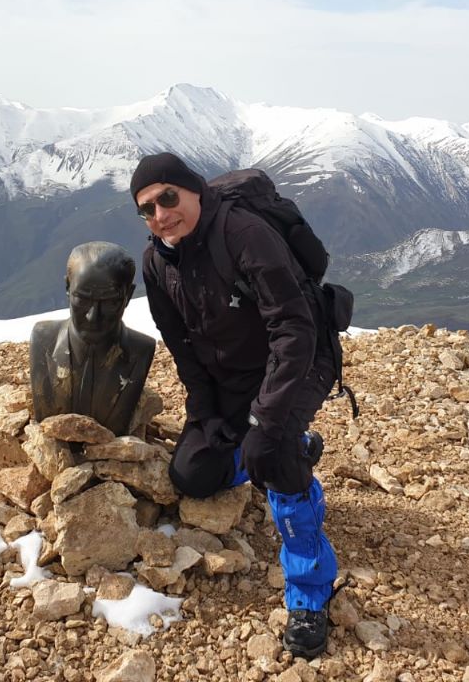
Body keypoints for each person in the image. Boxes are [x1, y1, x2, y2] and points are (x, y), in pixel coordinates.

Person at [132, 152, 338, 659]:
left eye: (168, 198)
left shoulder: (244, 234)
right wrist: (205, 413)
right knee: (194, 474)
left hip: (299, 361)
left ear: (193, 189)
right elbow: (181, 346)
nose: (160, 215)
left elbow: (294, 329)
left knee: (274, 455)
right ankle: (275, 450)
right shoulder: (157, 262)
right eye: (147, 209)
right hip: (230, 376)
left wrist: (266, 422)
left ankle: (309, 593)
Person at [29, 241, 156, 437]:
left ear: (128, 296)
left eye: (109, 302)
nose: (92, 316)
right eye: (82, 299)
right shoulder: (42, 338)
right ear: (67, 287)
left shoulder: (141, 350)